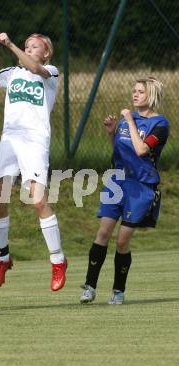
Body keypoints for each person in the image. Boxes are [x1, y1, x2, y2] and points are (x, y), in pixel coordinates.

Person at [0, 28, 67, 290]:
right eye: (26, 45)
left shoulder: (51, 72)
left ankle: (58, 260)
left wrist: (12, 45)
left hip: (34, 140)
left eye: (34, 46)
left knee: (38, 200)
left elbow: (36, 69)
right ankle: (2, 258)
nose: (28, 49)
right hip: (10, 138)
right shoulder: (12, 73)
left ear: (46, 53)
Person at [80, 77, 168, 305]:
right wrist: (112, 132)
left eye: (141, 91)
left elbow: (140, 150)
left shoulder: (159, 124)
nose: (135, 94)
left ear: (152, 95)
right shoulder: (125, 120)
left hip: (141, 186)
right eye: (134, 90)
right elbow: (121, 150)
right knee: (102, 234)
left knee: (121, 241)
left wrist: (128, 120)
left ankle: (118, 291)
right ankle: (89, 286)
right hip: (117, 180)